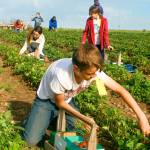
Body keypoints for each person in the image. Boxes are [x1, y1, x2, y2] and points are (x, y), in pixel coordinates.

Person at [22, 43, 150, 146]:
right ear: (76, 69)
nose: (94, 77)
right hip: (47, 101)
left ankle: (48, 120)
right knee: (31, 141)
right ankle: (33, 120)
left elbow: (120, 90)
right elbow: (59, 102)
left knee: (74, 134)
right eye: (89, 74)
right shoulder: (61, 75)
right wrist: (85, 119)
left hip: (67, 99)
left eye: (95, 73)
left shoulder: (93, 70)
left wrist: (141, 117)